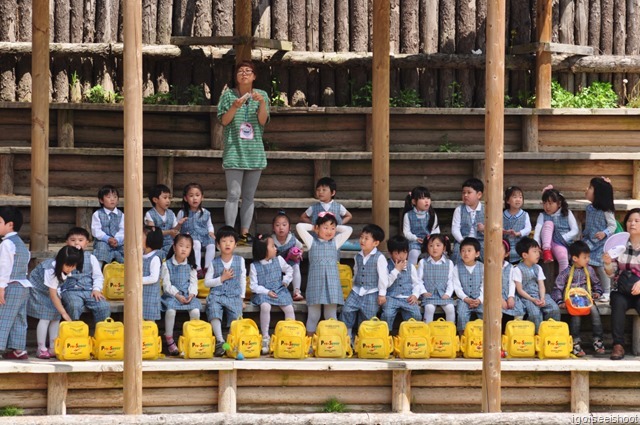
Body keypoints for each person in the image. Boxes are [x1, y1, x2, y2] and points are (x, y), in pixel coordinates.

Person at [217, 60, 270, 246]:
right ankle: (229, 232)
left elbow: (263, 121)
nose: (244, 74)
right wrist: (235, 106)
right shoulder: (228, 95)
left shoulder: (262, 95)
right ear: (236, 76)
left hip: (254, 152)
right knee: (233, 194)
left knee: (248, 196)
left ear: (254, 76)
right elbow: (224, 121)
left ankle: (244, 234)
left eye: (248, 71)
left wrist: (262, 103)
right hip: (234, 151)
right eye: (240, 71)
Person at [296, 213, 353, 336]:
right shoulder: (311, 241)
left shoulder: (336, 242)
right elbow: (300, 226)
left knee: (330, 315)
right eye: (325, 227)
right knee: (313, 316)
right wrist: (314, 227)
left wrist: (334, 226)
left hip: (331, 285)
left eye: (332, 228)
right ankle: (310, 343)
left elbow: (349, 229)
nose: (329, 231)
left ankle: (333, 340)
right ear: (317, 228)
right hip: (315, 284)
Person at [27, 246, 83, 359]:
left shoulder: (62, 269)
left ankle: (53, 346)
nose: (70, 269)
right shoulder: (50, 270)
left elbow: (54, 291)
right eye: (68, 265)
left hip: (50, 291)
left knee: (55, 317)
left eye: (73, 266)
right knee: (45, 317)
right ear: (61, 261)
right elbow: (52, 295)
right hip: (37, 290)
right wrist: (64, 313)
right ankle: (41, 348)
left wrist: (60, 311)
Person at [552, 241, 604, 357]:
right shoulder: (566, 272)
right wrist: (560, 301)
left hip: (586, 299)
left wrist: (597, 293)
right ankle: (575, 342)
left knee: (595, 312)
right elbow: (557, 287)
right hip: (572, 301)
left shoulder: (589, 270)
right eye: (585, 257)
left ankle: (598, 340)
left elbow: (596, 283)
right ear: (575, 258)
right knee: (576, 316)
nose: (588, 260)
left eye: (588, 257)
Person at [603, 208, 640, 360]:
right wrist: (607, 263)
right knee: (617, 302)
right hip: (622, 289)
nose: (632, 224)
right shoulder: (619, 244)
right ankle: (618, 345)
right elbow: (611, 273)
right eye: (630, 221)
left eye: (637, 221)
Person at [204, 226, 246, 357]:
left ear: (235, 244)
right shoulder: (214, 262)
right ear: (217, 245)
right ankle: (220, 341)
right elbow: (206, 282)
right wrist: (221, 279)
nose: (227, 244)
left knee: (236, 316)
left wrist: (242, 297)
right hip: (217, 294)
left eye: (231, 241)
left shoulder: (240, 261)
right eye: (224, 241)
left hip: (234, 295)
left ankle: (232, 343)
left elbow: (243, 279)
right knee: (214, 309)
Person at [340, 224, 388, 337]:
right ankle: (348, 337)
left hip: (372, 292)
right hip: (356, 290)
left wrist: (382, 294)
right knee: (347, 310)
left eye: (366, 238)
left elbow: (383, 277)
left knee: (367, 316)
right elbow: (356, 271)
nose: (362, 240)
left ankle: (363, 340)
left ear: (375, 243)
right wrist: (353, 286)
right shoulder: (358, 256)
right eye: (362, 237)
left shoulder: (379, 257)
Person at [250, 235, 295, 354]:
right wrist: (266, 292)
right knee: (265, 306)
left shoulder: (279, 259)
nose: (276, 248)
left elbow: (289, 269)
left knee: (289, 308)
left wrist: (286, 280)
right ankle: (265, 337)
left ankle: (290, 334)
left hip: (279, 290)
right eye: (272, 246)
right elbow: (253, 286)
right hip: (263, 292)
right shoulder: (254, 265)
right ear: (263, 250)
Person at [161, 234, 201, 356]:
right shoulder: (166, 264)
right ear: (174, 247)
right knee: (171, 311)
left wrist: (192, 295)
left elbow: (194, 283)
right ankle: (169, 338)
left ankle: (192, 337)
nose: (184, 249)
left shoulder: (191, 265)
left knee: (195, 310)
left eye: (188, 247)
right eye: (181, 246)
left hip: (187, 295)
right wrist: (177, 295)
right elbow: (166, 285)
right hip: (172, 295)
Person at [61, 227, 110, 324]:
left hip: (89, 290)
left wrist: (96, 289)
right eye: (73, 240)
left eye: (80, 240)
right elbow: (58, 277)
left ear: (87, 243)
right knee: (74, 305)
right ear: (67, 242)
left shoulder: (91, 258)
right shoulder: (63, 257)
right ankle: (74, 330)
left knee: (103, 306)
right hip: (70, 290)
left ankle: (102, 332)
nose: (76, 243)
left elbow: (98, 276)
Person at [0, 206, 31, 360]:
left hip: (10, 285)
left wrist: (1, 288)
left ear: (9, 224)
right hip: (24, 286)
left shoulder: (6, 244)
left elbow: (4, 268)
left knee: (3, 317)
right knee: (19, 318)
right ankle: (19, 349)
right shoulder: (20, 243)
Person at [514, 237, 560, 333]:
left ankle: (551, 333)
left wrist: (542, 298)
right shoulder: (517, 269)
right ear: (525, 255)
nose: (538, 254)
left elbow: (541, 285)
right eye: (534, 251)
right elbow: (519, 290)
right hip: (526, 298)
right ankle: (537, 335)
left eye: (538, 251)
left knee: (554, 308)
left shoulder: (538, 267)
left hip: (539, 295)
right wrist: (532, 299)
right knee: (535, 314)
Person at [582, 177, 616, 302]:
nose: (587, 190)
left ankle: (607, 291)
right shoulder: (589, 208)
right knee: (584, 262)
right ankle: (587, 288)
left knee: (601, 265)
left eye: (590, 188)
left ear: (598, 193)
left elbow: (613, 226)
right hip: (589, 241)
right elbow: (589, 224)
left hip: (602, 243)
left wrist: (604, 233)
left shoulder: (606, 211)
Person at [380, 235, 422, 331]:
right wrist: (396, 270)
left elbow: (416, 284)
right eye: (397, 253)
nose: (402, 256)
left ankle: (409, 335)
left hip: (407, 298)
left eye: (405, 252)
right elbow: (385, 284)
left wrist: (415, 295)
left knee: (416, 314)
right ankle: (386, 336)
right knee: (387, 314)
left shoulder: (411, 267)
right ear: (390, 253)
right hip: (391, 297)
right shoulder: (386, 266)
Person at [534, 185, 579, 272]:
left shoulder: (567, 213)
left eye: (550, 203)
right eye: (545, 203)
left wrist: (563, 238)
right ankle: (546, 251)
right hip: (548, 243)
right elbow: (537, 231)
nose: (547, 206)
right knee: (548, 223)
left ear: (559, 203)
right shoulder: (542, 215)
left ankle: (562, 283)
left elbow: (575, 230)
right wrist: (537, 246)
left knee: (563, 257)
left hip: (561, 243)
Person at [177, 183, 216, 279]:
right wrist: (180, 224)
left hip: (204, 235)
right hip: (191, 236)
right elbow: (176, 227)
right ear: (186, 198)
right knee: (196, 244)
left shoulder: (206, 212)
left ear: (202, 197)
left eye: (197, 195)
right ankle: (197, 268)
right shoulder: (182, 212)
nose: (195, 198)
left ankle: (208, 268)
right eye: (191, 196)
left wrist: (211, 232)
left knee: (211, 245)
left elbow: (209, 225)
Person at [418, 234, 456, 323]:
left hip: (443, 294)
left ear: (444, 248)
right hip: (429, 295)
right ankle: (427, 331)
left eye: (438, 245)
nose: (434, 248)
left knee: (450, 308)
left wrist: (448, 293)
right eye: (431, 245)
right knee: (429, 308)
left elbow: (451, 280)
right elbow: (418, 280)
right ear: (427, 247)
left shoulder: (449, 263)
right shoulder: (423, 262)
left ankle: (450, 331)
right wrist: (423, 292)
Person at [145, 184, 186, 260]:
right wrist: (169, 232)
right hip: (156, 245)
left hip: (169, 243)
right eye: (165, 197)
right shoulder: (149, 214)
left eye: (169, 198)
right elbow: (152, 233)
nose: (168, 200)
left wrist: (179, 224)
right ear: (155, 200)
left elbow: (175, 230)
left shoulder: (171, 213)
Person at [453, 237, 484, 335]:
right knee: (461, 314)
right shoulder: (457, 267)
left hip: (480, 299)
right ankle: (463, 337)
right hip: (464, 299)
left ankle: (484, 336)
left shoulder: (482, 267)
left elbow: (485, 285)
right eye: (463, 251)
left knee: (487, 314)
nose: (466, 253)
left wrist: (480, 299)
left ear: (477, 253)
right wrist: (465, 298)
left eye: (469, 251)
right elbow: (457, 286)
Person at [271, 210, 304, 301]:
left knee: (296, 267)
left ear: (289, 227)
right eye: (277, 225)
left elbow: (301, 248)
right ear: (273, 228)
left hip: (290, 261)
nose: (281, 228)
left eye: (284, 225)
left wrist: (298, 255)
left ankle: (296, 291)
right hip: (277, 263)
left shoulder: (292, 239)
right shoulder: (271, 239)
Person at [403, 186, 440, 266]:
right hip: (415, 242)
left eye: (428, 198)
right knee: (414, 254)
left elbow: (436, 230)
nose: (426, 201)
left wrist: (431, 238)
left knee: (435, 253)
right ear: (414, 201)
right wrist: (415, 238)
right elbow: (406, 232)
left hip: (430, 242)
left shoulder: (432, 214)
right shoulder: (408, 215)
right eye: (422, 198)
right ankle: (412, 272)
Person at [451, 178, 485, 264]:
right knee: (457, 253)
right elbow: (455, 229)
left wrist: (484, 229)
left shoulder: (486, 210)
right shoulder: (459, 210)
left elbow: (493, 228)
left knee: (488, 254)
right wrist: (462, 241)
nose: (465, 195)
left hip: (481, 241)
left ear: (479, 195)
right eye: (463, 193)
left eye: (469, 192)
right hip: (463, 240)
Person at [91, 185, 124, 267]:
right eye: (109, 197)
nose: (112, 199)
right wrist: (107, 239)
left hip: (118, 241)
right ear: (101, 200)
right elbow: (96, 230)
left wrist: (117, 239)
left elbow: (123, 229)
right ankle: (98, 271)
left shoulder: (121, 214)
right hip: (103, 241)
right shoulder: (97, 214)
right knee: (101, 248)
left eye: (115, 197)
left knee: (127, 248)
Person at [502, 186, 531, 264]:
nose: (518, 199)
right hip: (506, 243)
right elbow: (498, 228)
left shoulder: (525, 214)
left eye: (520, 197)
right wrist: (505, 231)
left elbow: (528, 229)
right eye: (515, 197)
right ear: (508, 200)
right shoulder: (502, 215)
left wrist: (518, 233)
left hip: (520, 243)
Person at [500, 240, 524, 330]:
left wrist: (511, 297)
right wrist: (499, 299)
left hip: (508, 294)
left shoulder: (510, 267)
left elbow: (511, 283)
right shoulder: (488, 267)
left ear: (506, 254)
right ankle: (498, 334)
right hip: (495, 296)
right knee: (497, 311)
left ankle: (516, 330)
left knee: (519, 309)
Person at [142, 226, 164, 322]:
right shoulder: (142, 255)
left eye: (141, 237)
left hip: (150, 296)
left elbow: (154, 278)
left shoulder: (155, 258)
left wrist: (136, 280)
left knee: (150, 323)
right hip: (142, 294)